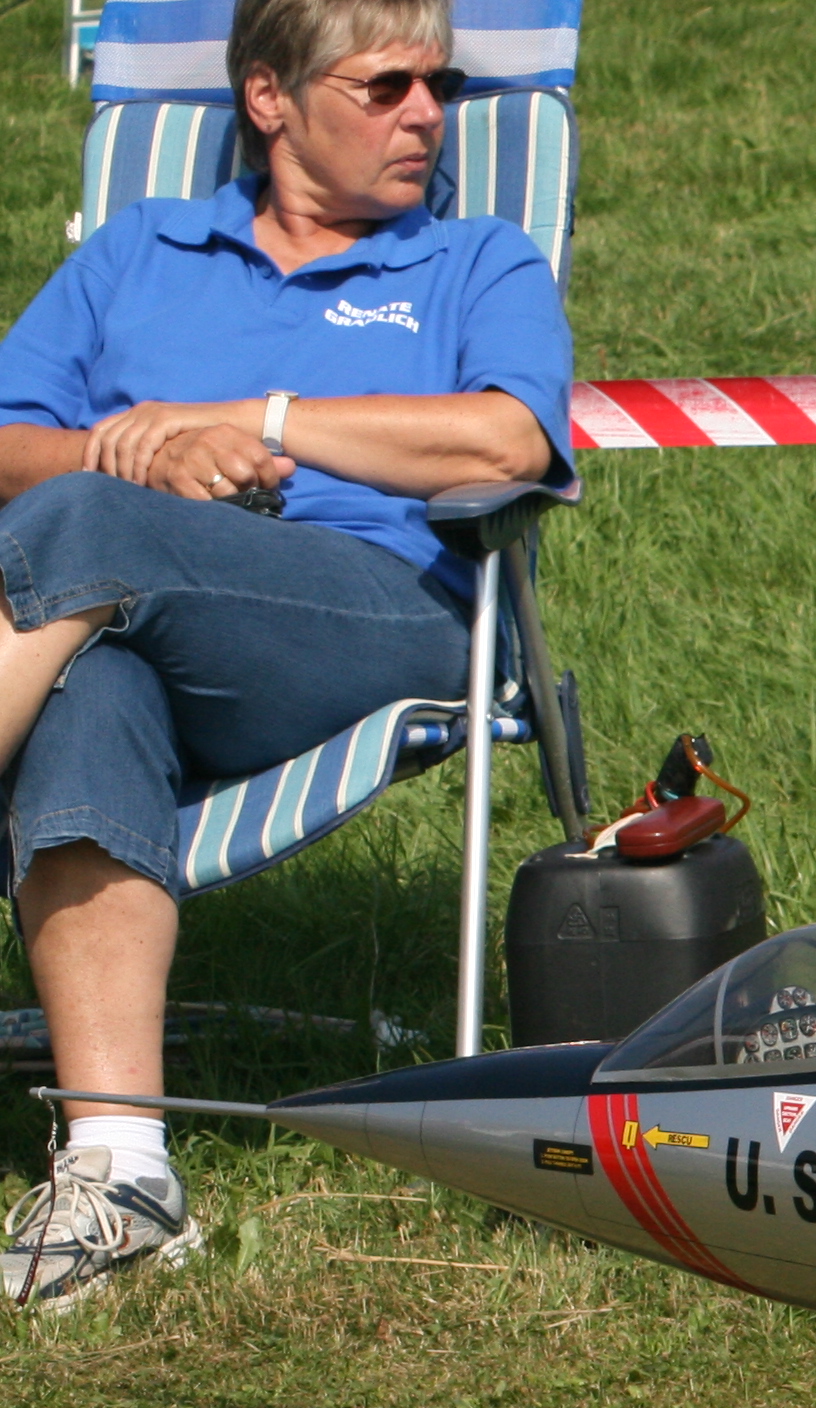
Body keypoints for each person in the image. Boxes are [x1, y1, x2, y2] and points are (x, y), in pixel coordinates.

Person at [0, 0, 570, 1311]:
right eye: (385, 87)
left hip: (379, 624)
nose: (426, 114)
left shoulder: (476, 260)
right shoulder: (141, 250)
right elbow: (6, 440)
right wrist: (120, 453)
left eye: (442, 85)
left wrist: (257, 423)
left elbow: (506, 446)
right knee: (95, 690)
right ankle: (123, 1167)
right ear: (268, 99)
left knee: (92, 536)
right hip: (131, 614)